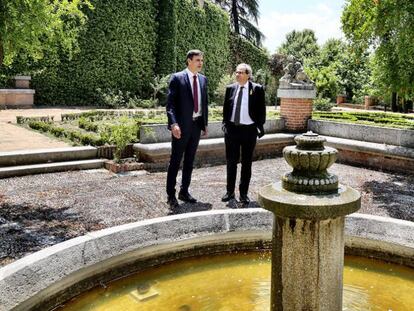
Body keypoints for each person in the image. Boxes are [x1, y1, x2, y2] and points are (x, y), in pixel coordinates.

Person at [166, 50, 209, 208]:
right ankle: (171, 195)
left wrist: (204, 124)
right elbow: (170, 105)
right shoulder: (177, 78)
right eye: (198, 60)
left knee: (190, 161)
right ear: (189, 61)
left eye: (202, 60)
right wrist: (173, 124)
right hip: (181, 127)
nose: (200, 63)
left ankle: (184, 191)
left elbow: (204, 103)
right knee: (175, 161)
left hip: (196, 125)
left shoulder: (203, 79)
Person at [221, 63, 266, 204]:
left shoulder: (257, 89)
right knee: (231, 162)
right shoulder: (230, 88)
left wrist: (258, 126)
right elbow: (226, 109)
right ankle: (229, 192)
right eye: (236, 72)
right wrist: (225, 125)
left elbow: (262, 111)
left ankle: (244, 193)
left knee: (246, 164)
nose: (237, 74)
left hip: (249, 131)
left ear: (248, 74)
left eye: (240, 72)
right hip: (232, 131)